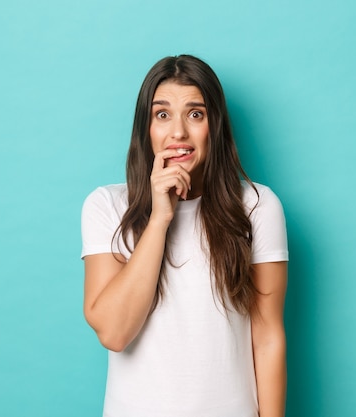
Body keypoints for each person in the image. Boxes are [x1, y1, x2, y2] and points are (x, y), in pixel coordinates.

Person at [81, 54, 288, 417]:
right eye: (162, 115)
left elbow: (268, 335)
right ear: (146, 128)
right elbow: (113, 333)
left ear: (215, 126)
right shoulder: (107, 206)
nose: (178, 132)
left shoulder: (257, 206)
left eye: (196, 114)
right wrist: (161, 218)